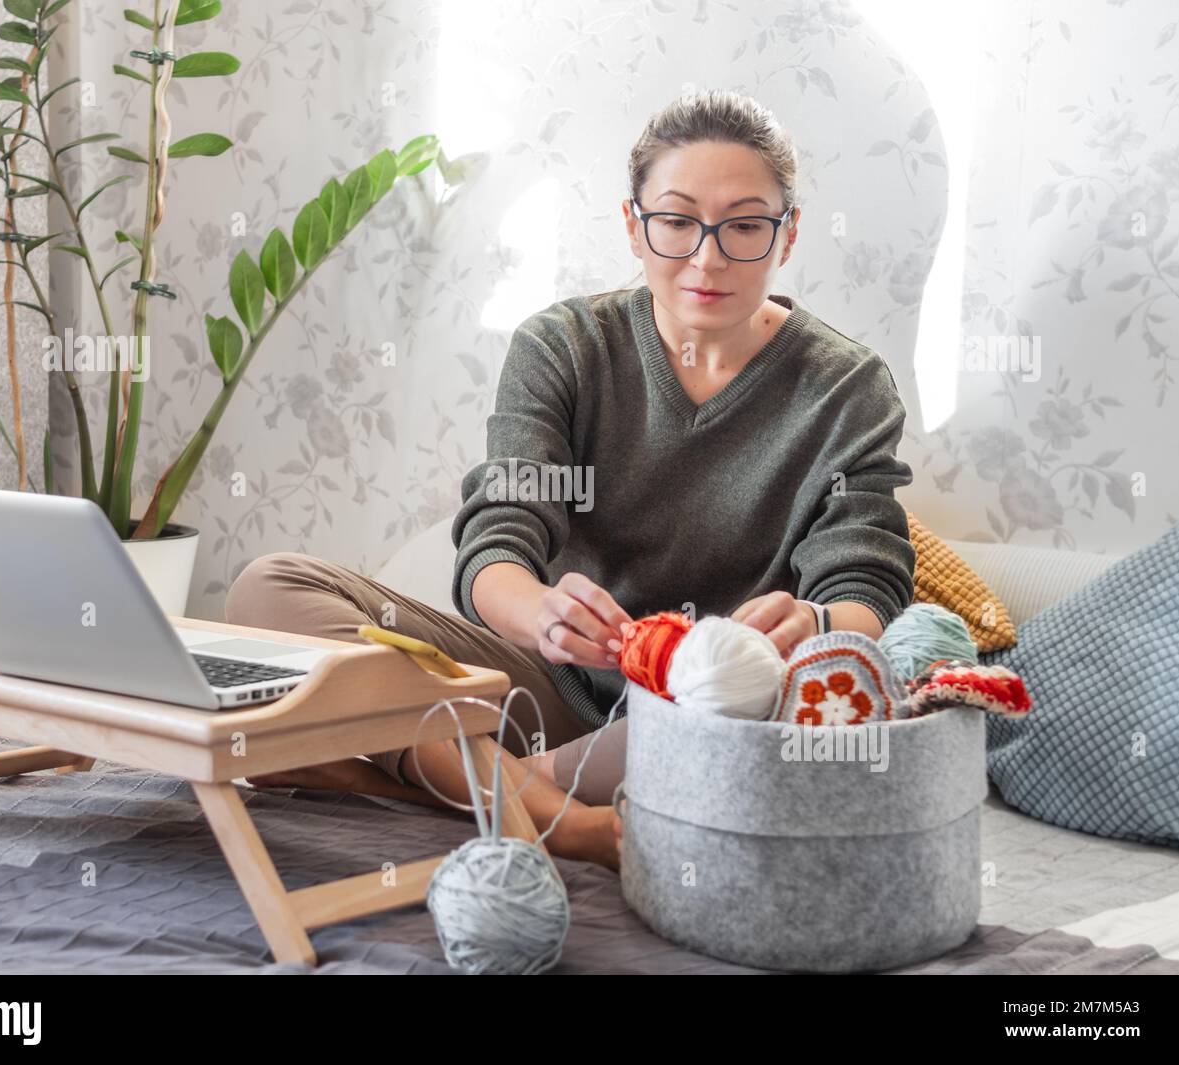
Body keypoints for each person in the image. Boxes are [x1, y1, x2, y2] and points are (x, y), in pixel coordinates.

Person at [224, 89, 915, 874]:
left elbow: (866, 579)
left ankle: (441, 775)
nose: (708, 256)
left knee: (790, 702)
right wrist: (543, 614)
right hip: (537, 693)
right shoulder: (563, 346)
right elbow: (499, 538)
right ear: (633, 225)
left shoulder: (847, 387)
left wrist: (816, 626)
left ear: (786, 236)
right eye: (678, 220)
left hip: (697, 717)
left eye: (746, 225)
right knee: (266, 589)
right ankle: (552, 808)